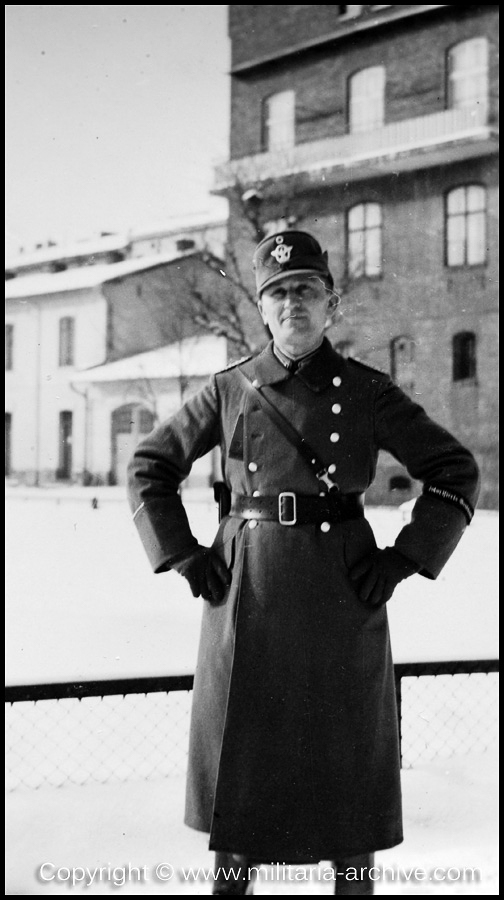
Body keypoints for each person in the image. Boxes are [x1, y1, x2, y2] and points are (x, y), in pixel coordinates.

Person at [127, 230, 480, 895]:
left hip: (341, 594)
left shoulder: (368, 392)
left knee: (348, 771)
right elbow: (150, 466)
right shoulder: (231, 389)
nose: (294, 304)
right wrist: (182, 554)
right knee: (242, 772)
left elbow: (455, 472)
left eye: (308, 291)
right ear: (263, 308)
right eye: (280, 293)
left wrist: (404, 560)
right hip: (246, 590)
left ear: (331, 305)